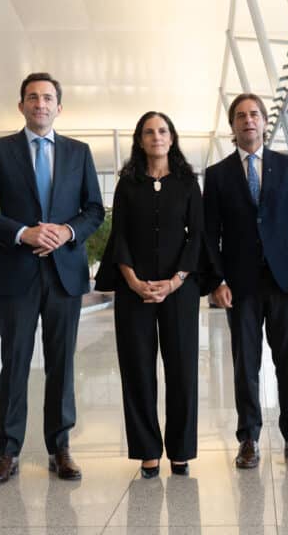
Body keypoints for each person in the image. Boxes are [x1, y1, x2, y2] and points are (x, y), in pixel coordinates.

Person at [0, 72, 104, 483]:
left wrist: (66, 232)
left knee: (62, 365)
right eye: (32, 97)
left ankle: (60, 447)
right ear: (21, 105)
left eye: (47, 98)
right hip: (17, 273)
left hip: (64, 273)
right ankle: (7, 453)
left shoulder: (79, 152)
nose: (40, 104)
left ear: (58, 107)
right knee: (14, 364)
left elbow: (94, 210)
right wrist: (22, 233)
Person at [203, 93, 288, 469]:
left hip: (285, 280)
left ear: (264, 122)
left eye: (254, 114)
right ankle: (248, 438)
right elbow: (210, 233)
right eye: (240, 115)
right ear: (232, 126)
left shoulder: (287, 166)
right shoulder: (218, 174)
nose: (248, 120)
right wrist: (216, 280)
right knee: (245, 363)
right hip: (240, 285)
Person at [94, 111, 203, 478]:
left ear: (172, 138)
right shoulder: (128, 183)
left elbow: (197, 237)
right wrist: (132, 279)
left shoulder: (188, 182)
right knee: (138, 369)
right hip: (133, 290)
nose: (156, 137)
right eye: (148, 132)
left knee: (182, 369)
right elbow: (119, 234)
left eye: (162, 131)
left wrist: (175, 281)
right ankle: (147, 451)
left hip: (179, 290)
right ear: (140, 140)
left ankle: (181, 450)